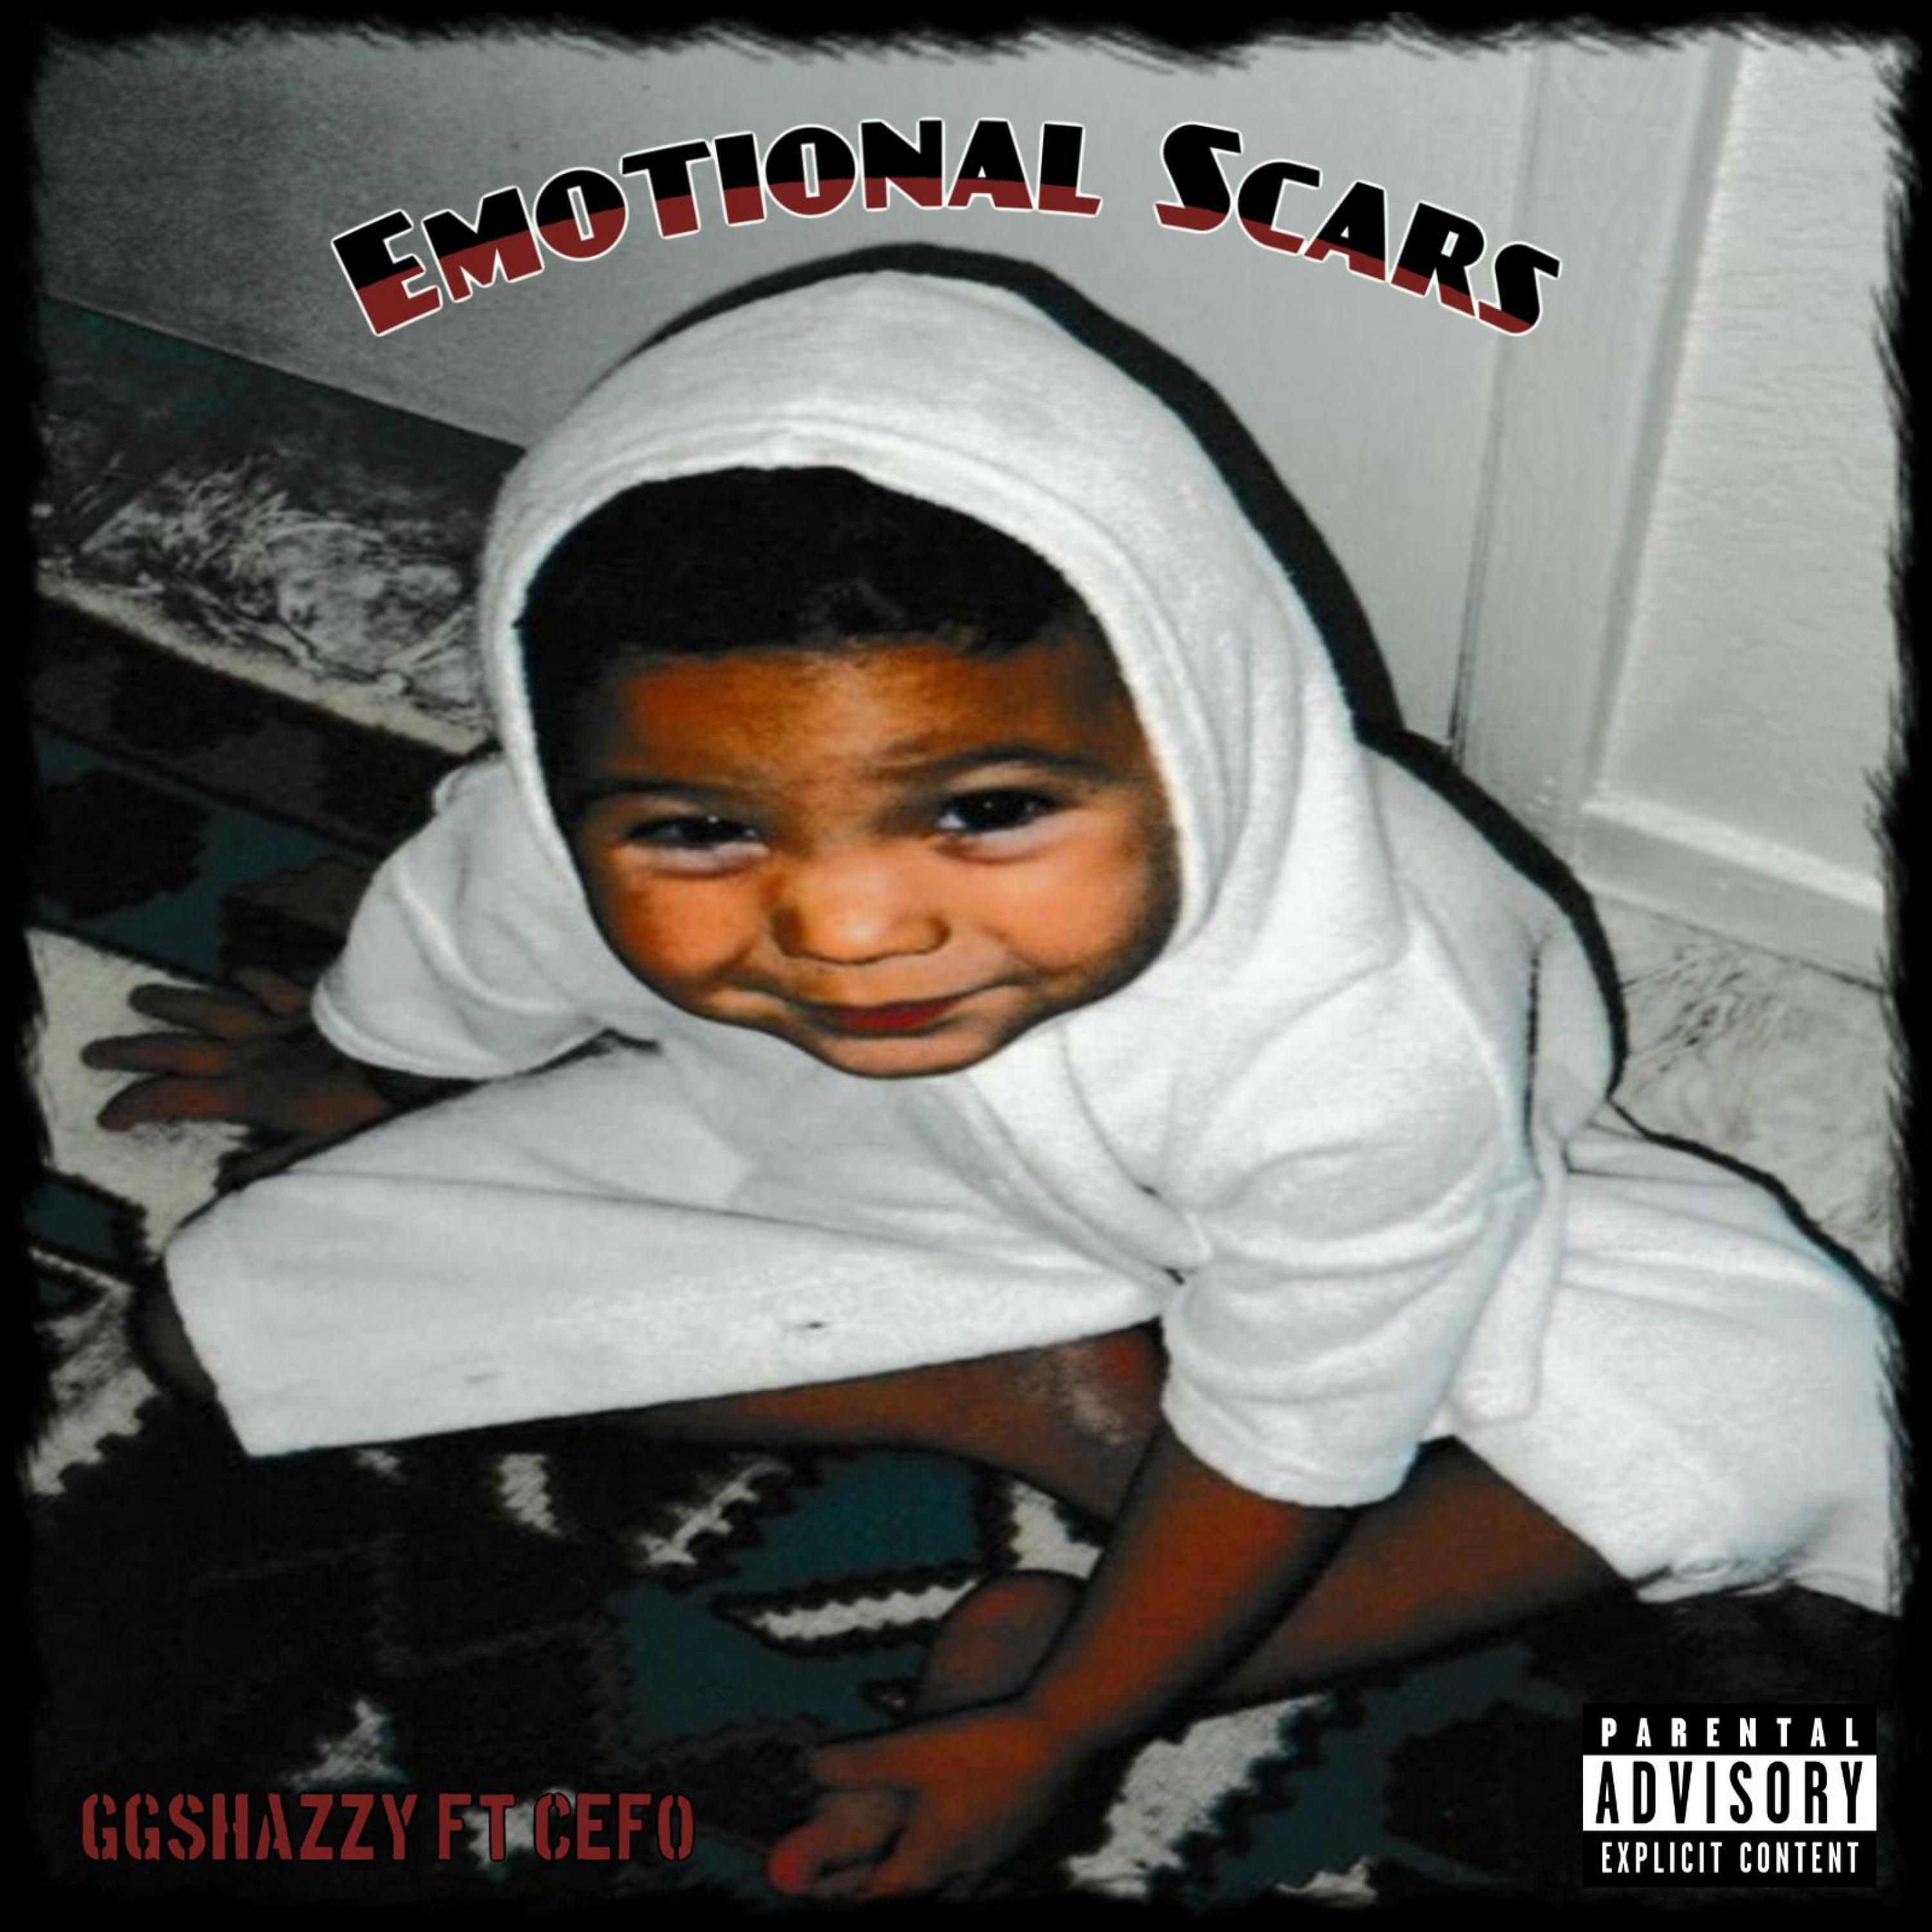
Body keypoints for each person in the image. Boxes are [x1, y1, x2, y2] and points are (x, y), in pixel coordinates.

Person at [84, 263, 1895, 1902]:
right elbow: (466, 944)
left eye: (990, 809)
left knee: (1783, 1397)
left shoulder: (1366, 1018)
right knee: (225, 1320)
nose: (849, 930)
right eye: (702, 831)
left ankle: (1140, 1637)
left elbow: (1297, 1427)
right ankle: (1017, 1388)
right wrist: (359, 1067)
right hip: (831, 1172)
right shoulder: (555, 839)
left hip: (1409, 1243)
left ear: (1201, 734)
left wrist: (1058, 1728)